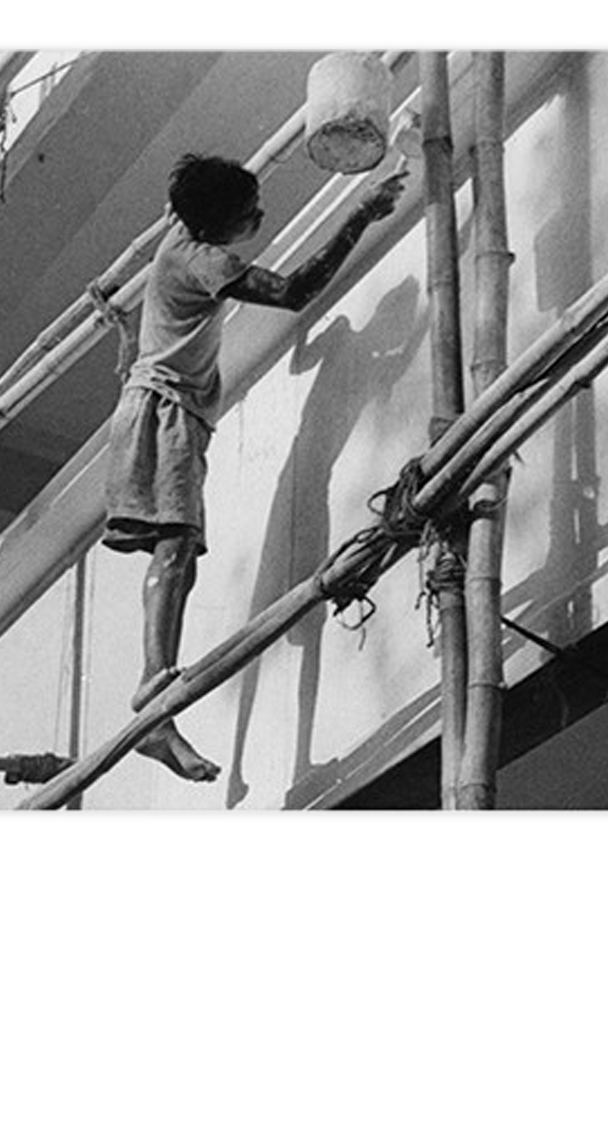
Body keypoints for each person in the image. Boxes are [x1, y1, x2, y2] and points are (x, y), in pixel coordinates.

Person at [102, 152, 408, 781]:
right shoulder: (203, 260)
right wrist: (359, 215)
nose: (261, 217)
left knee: (179, 554)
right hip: (166, 411)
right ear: (216, 227)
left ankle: (160, 701)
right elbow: (295, 291)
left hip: (163, 408)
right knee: (175, 546)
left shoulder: (179, 233)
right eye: (250, 213)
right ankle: (153, 696)